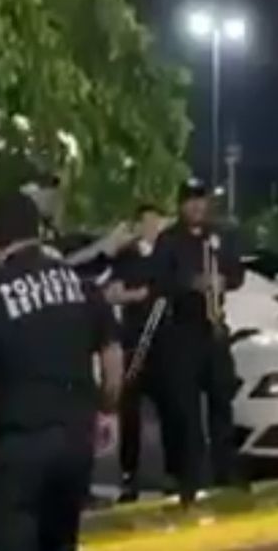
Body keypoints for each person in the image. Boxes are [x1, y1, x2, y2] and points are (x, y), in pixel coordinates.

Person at [0, 191, 123, 551]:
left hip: (17, 452)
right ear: (37, 232)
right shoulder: (80, 285)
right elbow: (112, 355)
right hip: (75, 445)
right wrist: (108, 407)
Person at [151, 178, 245, 504]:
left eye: (200, 200)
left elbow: (237, 274)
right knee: (186, 411)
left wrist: (223, 280)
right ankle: (189, 478)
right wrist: (193, 282)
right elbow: (159, 282)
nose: (196, 206)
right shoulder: (168, 240)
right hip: (183, 332)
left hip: (215, 329)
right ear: (180, 205)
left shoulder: (218, 238)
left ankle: (226, 471)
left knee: (222, 401)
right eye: (189, 200)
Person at [104, 204, 174, 502]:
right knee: (129, 412)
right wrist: (138, 295)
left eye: (156, 221)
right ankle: (128, 474)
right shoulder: (127, 256)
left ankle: (173, 472)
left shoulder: (169, 255)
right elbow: (112, 293)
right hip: (135, 343)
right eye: (147, 221)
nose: (152, 226)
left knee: (171, 409)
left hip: (166, 344)